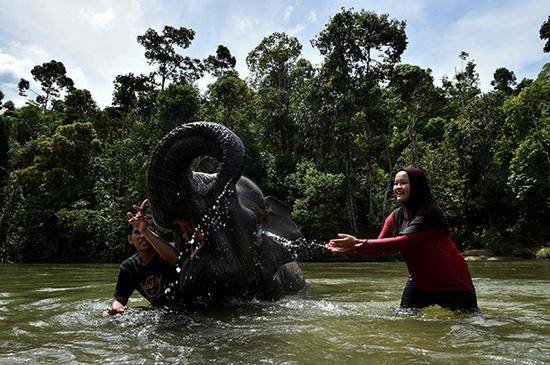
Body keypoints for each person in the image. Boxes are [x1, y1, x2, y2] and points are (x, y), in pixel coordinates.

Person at [326, 167, 479, 313]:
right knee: (404, 318)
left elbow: (403, 241)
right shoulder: (394, 217)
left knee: (468, 323)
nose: (398, 187)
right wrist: (351, 248)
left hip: (453, 282)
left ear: (417, 186)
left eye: (404, 182)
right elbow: (380, 249)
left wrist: (357, 242)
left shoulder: (429, 214)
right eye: (395, 183)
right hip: (421, 282)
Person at [104, 199, 179, 316]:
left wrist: (145, 230)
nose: (142, 236)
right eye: (137, 232)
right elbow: (120, 299)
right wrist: (115, 309)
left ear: (156, 235)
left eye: (145, 230)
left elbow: (174, 258)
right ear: (130, 239)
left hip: (187, 307)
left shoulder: (165, 252)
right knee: (107, 314)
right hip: (161, 313)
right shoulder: (129, 267)